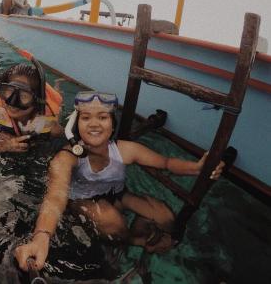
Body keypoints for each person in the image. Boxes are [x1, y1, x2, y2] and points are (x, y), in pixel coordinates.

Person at [14, 91, 225, 272]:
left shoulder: (124, 149)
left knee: (165, 217)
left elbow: (167, 162)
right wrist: (42, 236)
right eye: (86, 118)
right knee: (112, 221)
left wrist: (197, 168)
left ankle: (137, 236)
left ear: (112, 124)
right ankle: (135, 240)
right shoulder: (66, 158)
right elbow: (54, 198)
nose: (95, 123)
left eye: (103, 117)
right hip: (82, 203)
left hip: (118, 195)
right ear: (76, 125)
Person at [0, 57, 63, 153]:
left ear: (36, 101)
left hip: (43, 120)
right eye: (9, 91)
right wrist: (2, 146)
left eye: (24, 96)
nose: (12, 102)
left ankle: (56, 90)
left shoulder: (51, 126)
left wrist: (32, 144)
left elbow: (62, 139)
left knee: (56, 105)